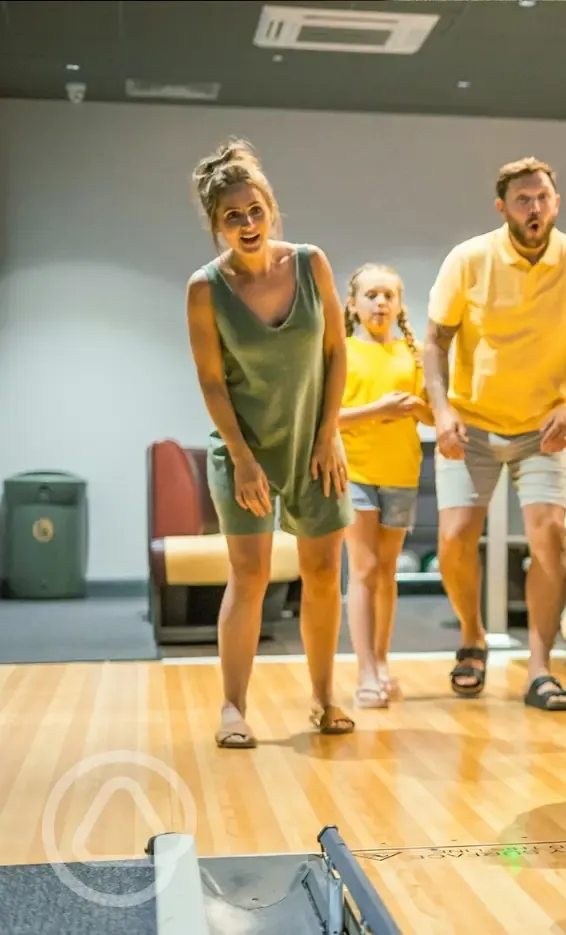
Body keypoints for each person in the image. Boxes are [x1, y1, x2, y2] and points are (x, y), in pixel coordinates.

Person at [424, 157, 566, 710]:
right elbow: (435, 340)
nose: (534, 208)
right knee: (455, 537)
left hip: (545, 428)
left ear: (556, 203)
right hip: (472, 422)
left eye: (542, 197)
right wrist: (441, 411)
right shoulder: (470, 258)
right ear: (502, 207)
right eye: (523, 199)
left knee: (550, 537)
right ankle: (472, 637)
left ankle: (539, 667)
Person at [185, 138, 356, 748]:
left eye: (255, 210)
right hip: (244, 451)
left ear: (271, 209)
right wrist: (242, 459)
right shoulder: (205, 289)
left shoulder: (311, 264)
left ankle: (324, 697)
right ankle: (233, 708)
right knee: (250, 573)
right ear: (217, 225)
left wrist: (328, 433)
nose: (248, 223)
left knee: (322, 571)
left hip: (315, 445)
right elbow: (211, 381)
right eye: (233, 216)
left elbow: (336, 351)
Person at [338, 262, 434, 708]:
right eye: (371, 295)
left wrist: (416, 406)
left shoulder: (414, 355)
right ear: (353, 305)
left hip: (401, 473)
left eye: (388, 296)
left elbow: (435, 416)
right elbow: (329, 420)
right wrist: (379, 410)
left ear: (399, 305)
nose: (380, 303)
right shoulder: (340, 352)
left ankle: (381, 662)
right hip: (354, 473)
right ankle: (364, 672)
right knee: (363, 569)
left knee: (386, 572)